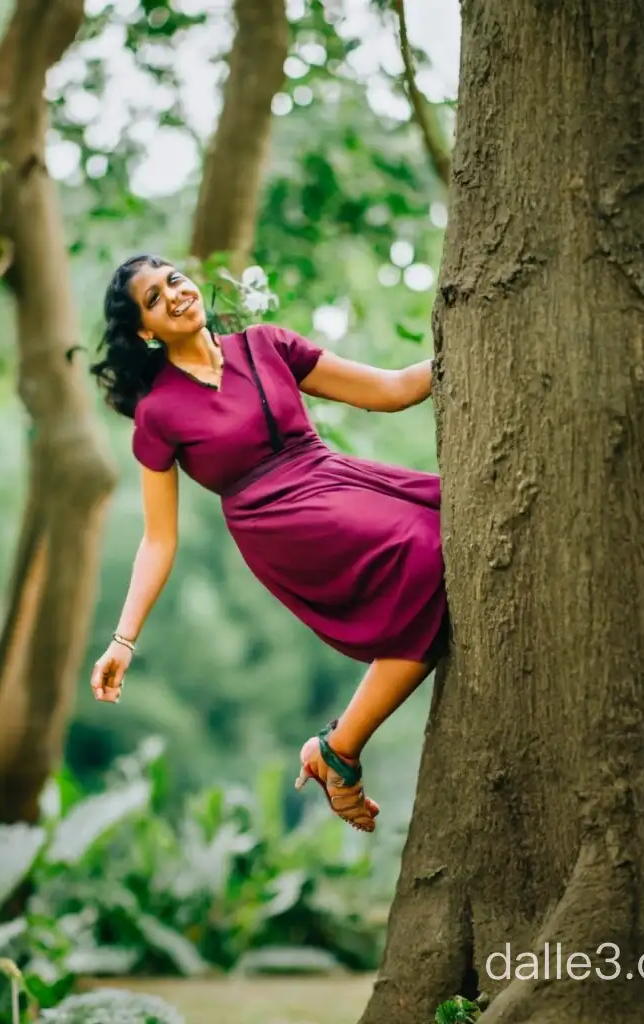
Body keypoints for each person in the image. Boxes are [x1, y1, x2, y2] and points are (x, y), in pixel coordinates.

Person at [87, 254, 449, 833]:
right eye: (153, 299)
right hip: (278, 520)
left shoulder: (265, 344)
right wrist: (123, 640)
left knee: (451, 521)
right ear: (144, 331)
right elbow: (159, 539)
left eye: (174, 280)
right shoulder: (157, 415)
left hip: (334, 478)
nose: (174, 295)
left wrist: (471, 340)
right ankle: (341, 750)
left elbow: (391, 390)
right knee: (427, 555)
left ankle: (336, 748)